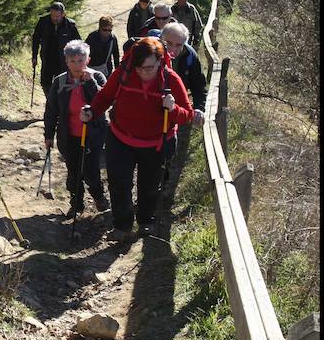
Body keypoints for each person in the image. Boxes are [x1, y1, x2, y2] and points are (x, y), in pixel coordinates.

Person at [80, 37, 194, 241]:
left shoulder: (171, 80)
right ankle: (122, 226)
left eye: (149, 67)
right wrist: (92, 112)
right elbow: (105, 97)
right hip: (120, 137)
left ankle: (146, 222)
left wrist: (173, 108)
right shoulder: (124, 73)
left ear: (161, 61)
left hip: (155, 143)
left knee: (149, 185)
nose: (143, 72)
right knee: (118, 182)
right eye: (139, 67)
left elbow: (187, 114)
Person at [44, 40, 110, 218]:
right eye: (72, 61)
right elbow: (51, 110)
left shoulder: (97, 77)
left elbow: (103, 102)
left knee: (91, 170)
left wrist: (89, 83)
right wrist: (48, 135)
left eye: (81, 60)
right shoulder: (60, 81)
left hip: (93, 134)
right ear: (66, 61)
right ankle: (76, 204)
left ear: (88, 59)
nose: (77, 65)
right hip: (69, 135)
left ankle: (98, 197)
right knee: (73, 172)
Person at [159, 22, 206, 202]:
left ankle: (161, 185)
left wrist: (199, 108)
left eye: (179, 45)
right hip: (151, 106)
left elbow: (199, 85)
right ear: (161, 39)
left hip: (175, 109)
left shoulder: (189, 56)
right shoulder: (149, 50)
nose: (173, 49)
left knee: (168, 148)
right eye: (169, 43)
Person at [32, 1, 82, 97]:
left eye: (57, 16)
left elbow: (78, 44)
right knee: (45, 84)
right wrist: (34, 56)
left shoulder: (70, 25)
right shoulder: (43, 22)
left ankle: (59, 105)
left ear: (63, 14)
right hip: (47, 59)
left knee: (62, 86)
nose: (54, 18)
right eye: (52, 15)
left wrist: (77, 61)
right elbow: (35, 39)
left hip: (63, 62)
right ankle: (50, 101)